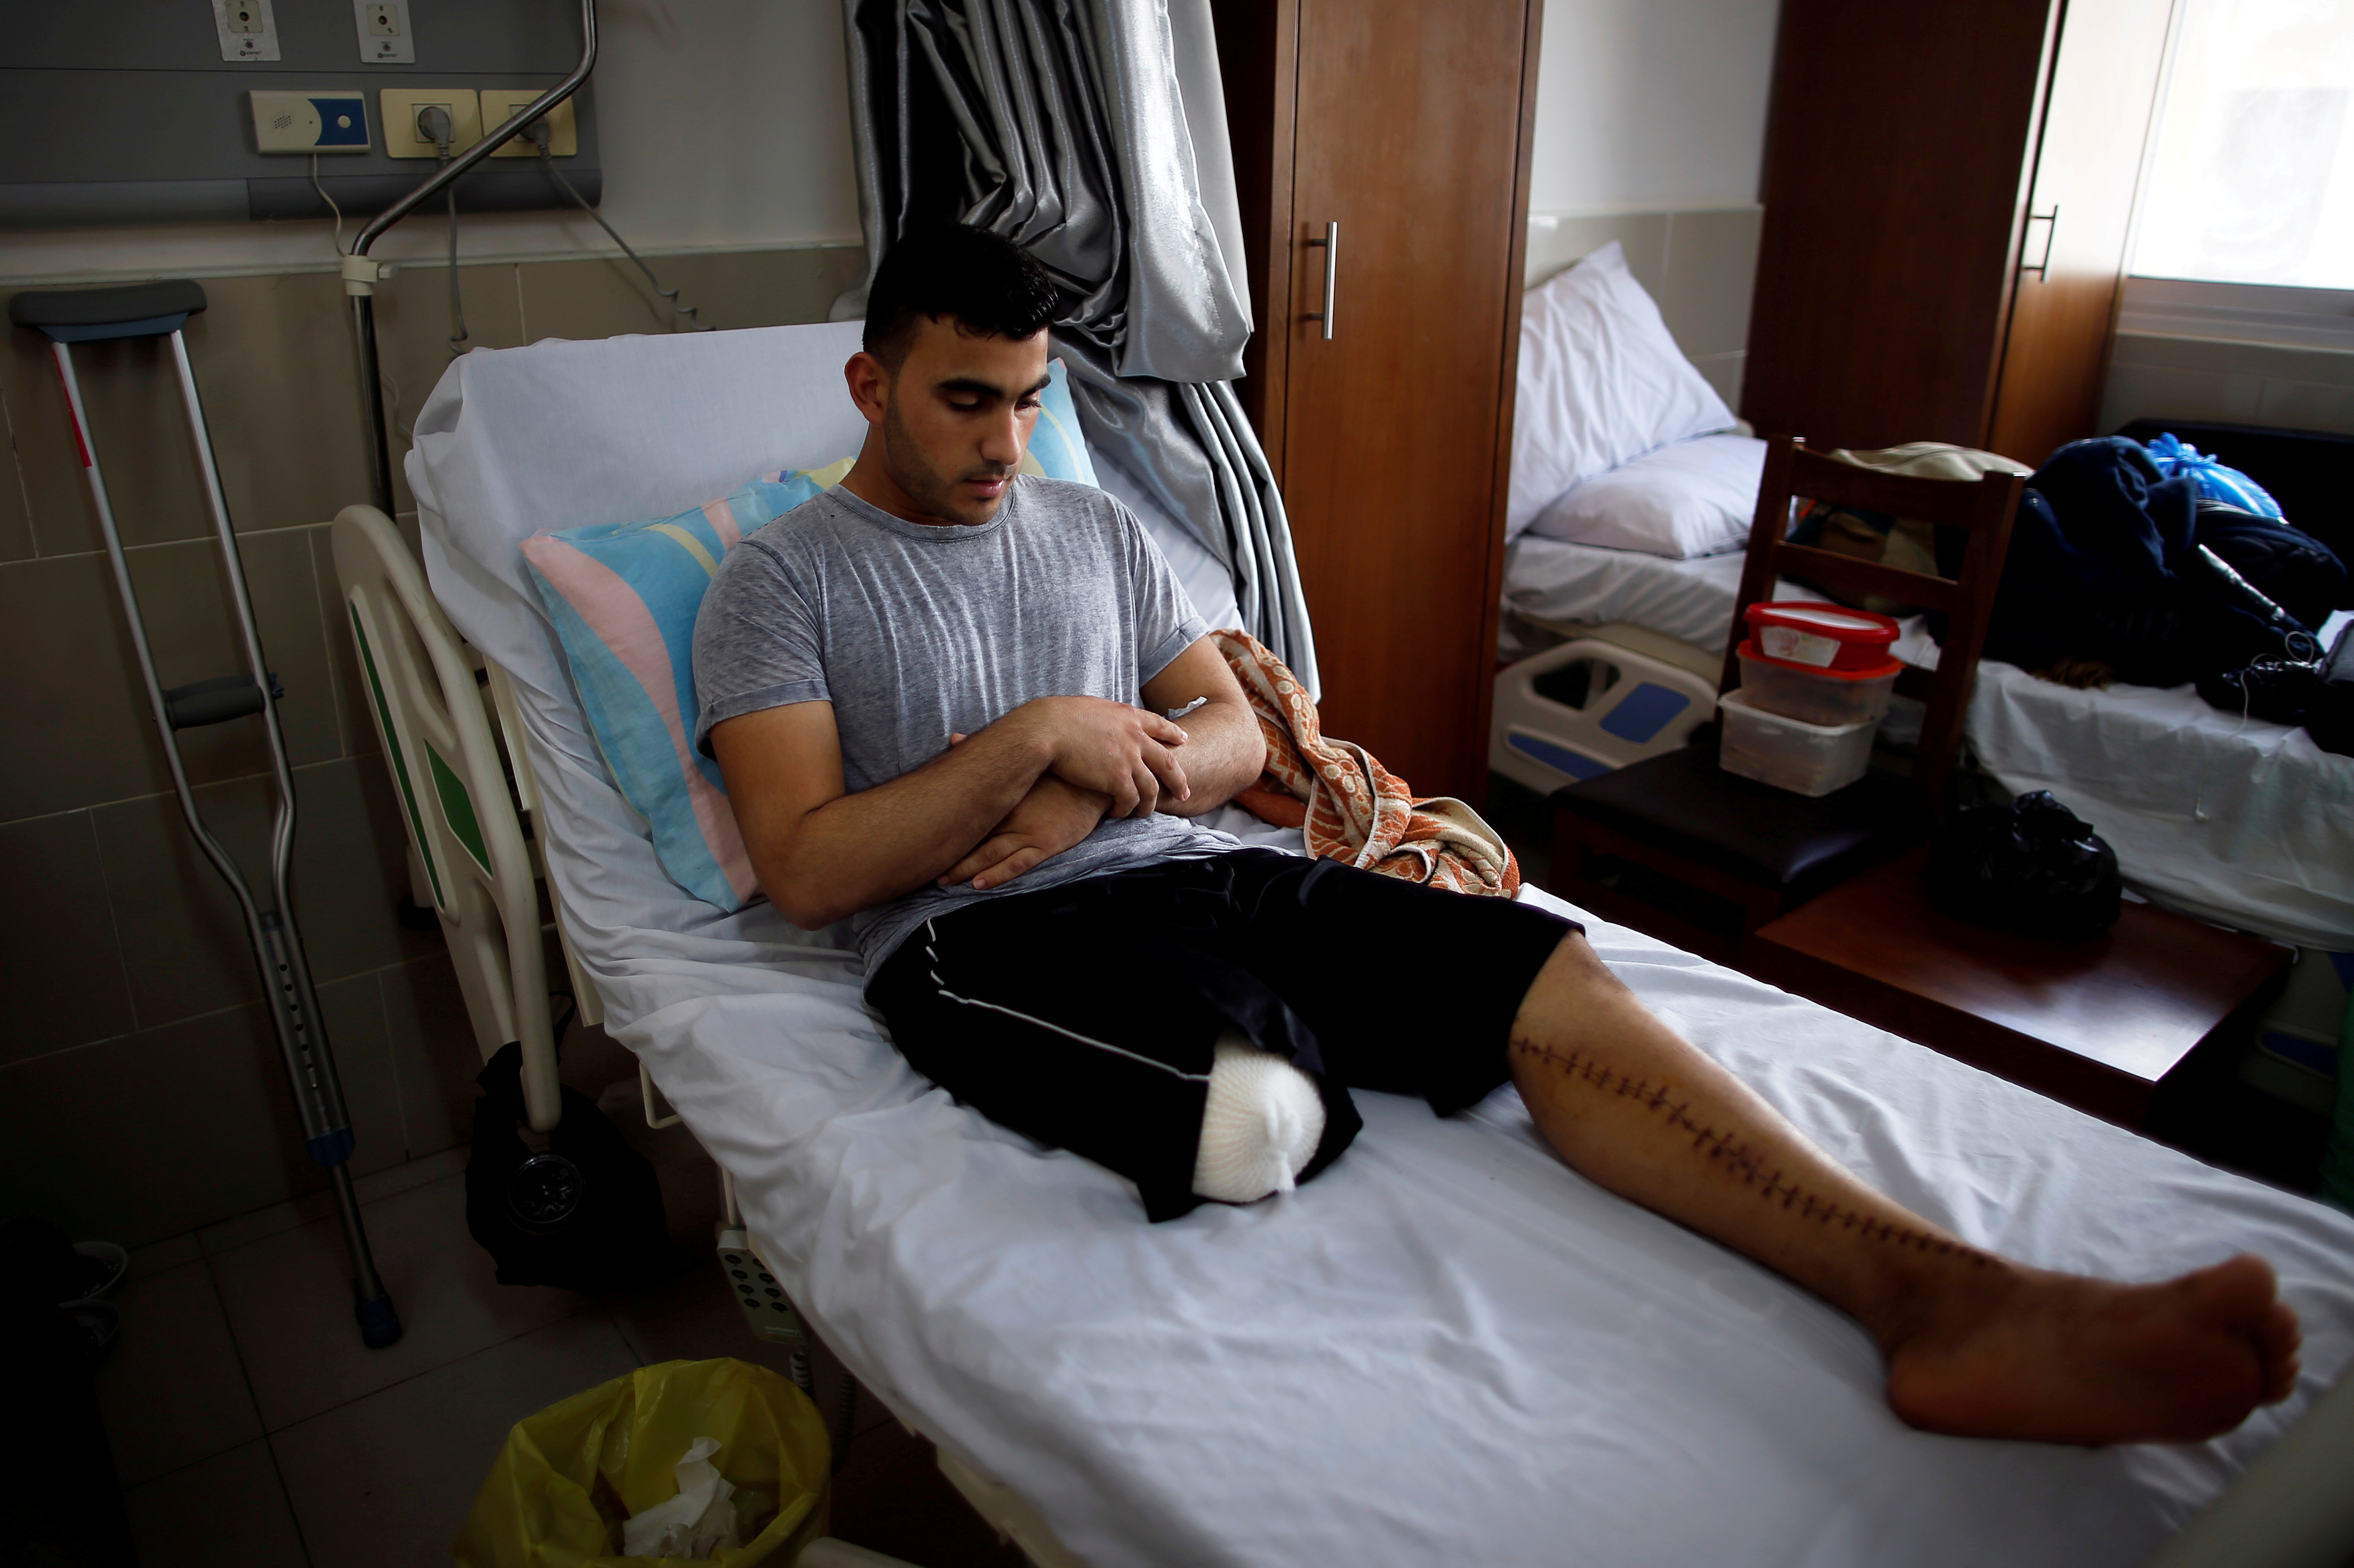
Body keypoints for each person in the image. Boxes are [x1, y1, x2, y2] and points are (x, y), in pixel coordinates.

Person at [693, 224, 2300, 1447]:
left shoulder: (1092, 525)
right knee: (1267, 1120)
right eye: (965, 402)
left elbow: (1244, 728)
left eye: (1030, 404)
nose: (1002, 447)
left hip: (1197, 868)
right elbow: (813, 867)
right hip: (969, 939)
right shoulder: (782, 582)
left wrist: (1111, 773)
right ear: (871, 384)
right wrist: (1042, 733)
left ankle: (1936, 1291)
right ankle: (1301, 1077)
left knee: (1547, 974)